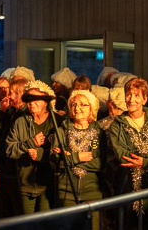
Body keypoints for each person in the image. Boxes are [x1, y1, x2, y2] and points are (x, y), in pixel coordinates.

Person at [104, 78, 148, 224]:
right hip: (128, 186)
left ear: (145, 99)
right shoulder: (117, 125)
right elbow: (122, 156)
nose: (131, 99)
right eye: (128, 95)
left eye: (137, 95)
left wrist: (146, 161)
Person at [52, 90, 104, 229]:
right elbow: (55, 162)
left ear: (91, 108)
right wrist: (78, 157)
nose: (77, 108)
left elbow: (100, 163)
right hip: (66, 193)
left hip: (92, 193)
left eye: (82, 104)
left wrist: (69, 158)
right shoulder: (62, 131)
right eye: (73, 104)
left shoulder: (99, 133)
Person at [6, 80, 59, 214]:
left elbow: (62, 153)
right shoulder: (20, 122)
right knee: (27, 224)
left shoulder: (57, 122)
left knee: (45, 224)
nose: (31, 103)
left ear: (45, 102)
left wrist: (41, 154)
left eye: (36, 99)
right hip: (26, 184)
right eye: (29, 99)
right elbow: (9, 150)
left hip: (48, 184)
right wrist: (29, 144)